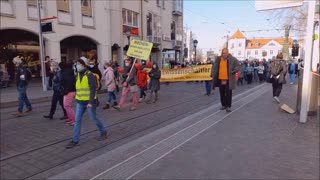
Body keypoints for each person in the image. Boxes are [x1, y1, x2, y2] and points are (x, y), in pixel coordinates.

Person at [66, 58, 107, 149]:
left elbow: (93, 89)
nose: (77, 66)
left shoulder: (90, 75)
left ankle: (103, 132)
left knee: (93, 118)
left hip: (89, 102)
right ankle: (75, 140)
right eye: (76, 64)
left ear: (84, 65)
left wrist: (91, 102)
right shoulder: (77, 75)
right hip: (80, 102)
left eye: (78, 64)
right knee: (77, 121)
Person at [212, 48, 240, 112]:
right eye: (223, 53)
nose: (224, 54)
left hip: (228, 79)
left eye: (226, 53)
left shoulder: (232, 59)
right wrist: (213, 74)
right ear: (222, 53)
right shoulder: (218, 59)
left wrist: (234, 70)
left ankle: (228, 106)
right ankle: (223, 105)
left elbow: (238, 65)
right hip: (220, 79)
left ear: (228, 53)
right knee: (221, 93)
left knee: (228, 93)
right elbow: (214, 67)